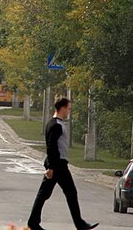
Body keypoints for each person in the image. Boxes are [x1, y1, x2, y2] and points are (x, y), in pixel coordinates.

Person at [26, 97, 98, 230]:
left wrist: (50, 166)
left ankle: (33, 222)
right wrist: (51, 167)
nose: (69, 112)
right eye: (68, 109)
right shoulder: (56, 125)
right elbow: (51, 147)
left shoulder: (53, 123)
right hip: (58, 165)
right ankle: (79, 224)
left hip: (56, 164)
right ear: (62, 108)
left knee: (45, 194)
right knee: (69, 193)